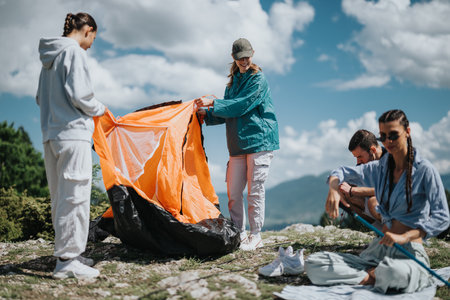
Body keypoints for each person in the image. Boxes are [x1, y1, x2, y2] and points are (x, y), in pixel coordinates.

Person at [305, 109, 449, 293]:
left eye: (393, 135)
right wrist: (333, 189)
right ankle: (372, 277)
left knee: (395, 272)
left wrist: (405, 236)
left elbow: (442, 216)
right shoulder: (379, 167)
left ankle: (374, 276)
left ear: (407, 132)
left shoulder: (425, 170)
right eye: (383, 136)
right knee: (314, 263)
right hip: (379, 249)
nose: (388, 142)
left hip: (410, 249)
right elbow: (340, 171)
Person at [36, 12, 106, 279]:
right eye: (93, 38)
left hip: (51, 135)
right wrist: (102, 109)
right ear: (87, 29)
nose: (91, 44)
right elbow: (81, 95)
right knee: (75, 197)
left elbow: (40, 98)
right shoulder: (74, 53)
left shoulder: (48, 61)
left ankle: (69, 254)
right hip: (73, 135)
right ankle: (67, 263)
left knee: (60, 197)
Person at [195, 38, 279, 251]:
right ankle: (238, 233)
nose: (244, 61)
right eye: (240, 57)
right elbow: (229, 112)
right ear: (233, 57)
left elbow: (242, 105)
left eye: (247, 56)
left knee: (255, 191)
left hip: (259, 141)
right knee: (233, 192)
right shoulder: (231, 84)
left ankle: (256, 235)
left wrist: (213, 102)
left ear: (253, 54)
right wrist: (208, 114)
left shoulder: (258, 79)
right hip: (237, 145)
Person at [339, 129, 386, 224]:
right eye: (356, 158)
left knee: (373, 202)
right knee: (343, 193)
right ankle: (377, 228)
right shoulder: (364, 164)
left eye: (360, 157)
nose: (358, 162)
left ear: (373, 150)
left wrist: (353, 190)